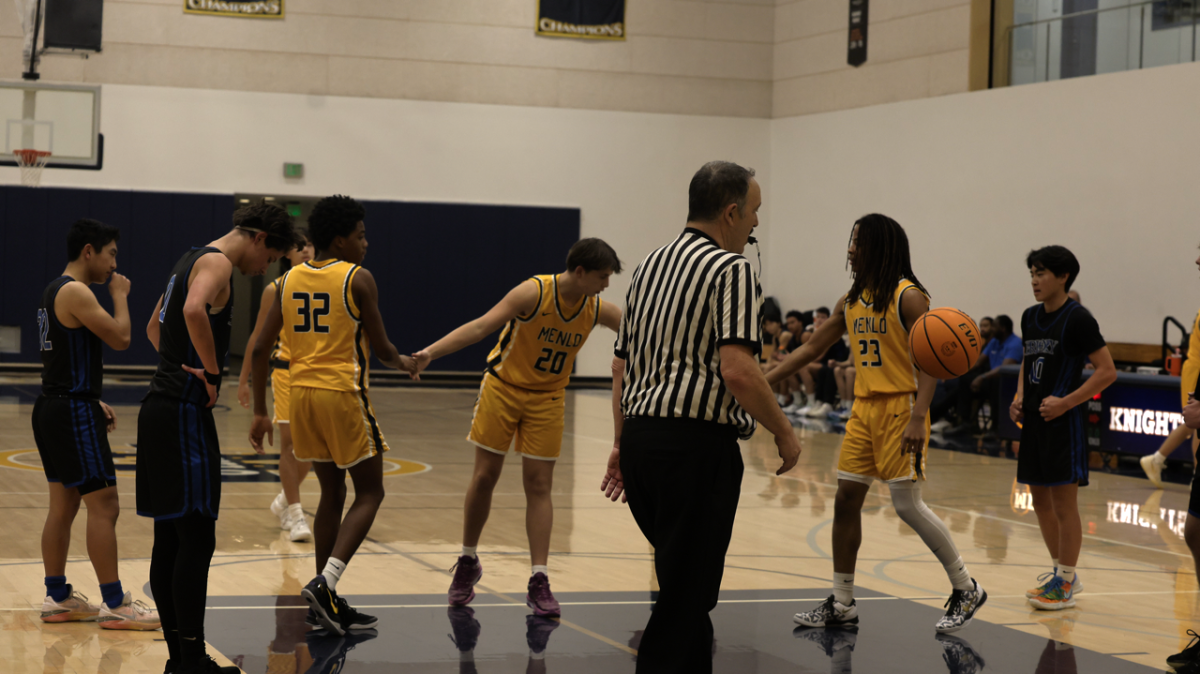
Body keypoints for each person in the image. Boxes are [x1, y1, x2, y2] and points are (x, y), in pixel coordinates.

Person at [601, 161, 801, 673]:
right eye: (754, 212)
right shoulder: (731, 270)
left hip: (643, 445)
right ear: (731, 212)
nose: (756, 224)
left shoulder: (647, 267)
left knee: (685, 589)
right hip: (694, 451)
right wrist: (784, 430)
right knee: (683, 600)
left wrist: (622, 445)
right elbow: (738, 371)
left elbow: (620, 366)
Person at [768, 213, 986, 634]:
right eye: (850, 240)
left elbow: (930, 361)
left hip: (901, 407)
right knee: (846, 500)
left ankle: (966, 586)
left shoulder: (909, 297)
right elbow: (813, 346)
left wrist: (920, 416)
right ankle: (842, 601)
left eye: (858, 241)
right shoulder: (851, 298)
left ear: (879, 247)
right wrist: (760, 381)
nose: (850, 249)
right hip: (863, 409)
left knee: (907, 506)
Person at [413, 238, 623, 616]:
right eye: (602, 277)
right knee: (484, 477)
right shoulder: (533, 292)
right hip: (503, 389)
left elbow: (643, 332)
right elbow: (480, 328)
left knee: (539, 485)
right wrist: (429, 353)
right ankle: (467, 560)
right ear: (580, 272)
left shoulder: (595, 309)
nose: (607, 284)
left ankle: (539, 578)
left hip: (548, 398)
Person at [139, 202, 296, 674]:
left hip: (160, 407)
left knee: (170, 539)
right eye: (269, 258)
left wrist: (176, 366)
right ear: (259, 238)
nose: (263, 268)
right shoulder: (218, 262)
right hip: (183, 414)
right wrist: (209, 373)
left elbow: (154, 328)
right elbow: (191, 309)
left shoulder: (189, 257)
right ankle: (191, 661)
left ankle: (181, 659)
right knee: (197, 539)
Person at [249, 195, 415, 636]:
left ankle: (325, 598)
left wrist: (262, 412)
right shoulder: (358, 279)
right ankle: (327, 583)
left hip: (299, 396)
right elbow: (381, 350)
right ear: (340, 240)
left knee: (330, 492)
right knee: (371, 492)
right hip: (341, 394)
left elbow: (261, 348)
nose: (366, 243)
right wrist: (406, 362)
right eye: (360, 235)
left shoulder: (285, 282)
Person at [35, 219, 160, 630]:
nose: (114, 264)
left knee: (64, 504)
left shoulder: (54, 289)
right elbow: (122, 337)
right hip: (70, 411)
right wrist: (120, 296)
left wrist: (91, 397)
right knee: (105, 505)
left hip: (57, 404)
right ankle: (116, 603)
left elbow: (61, 359)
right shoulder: (77, 290)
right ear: (89, 251)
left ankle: (58, 597)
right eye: (111, 254)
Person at [1011, 245, 1116, 611]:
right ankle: (1062, 573)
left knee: (1063, 503)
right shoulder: (1029, 316)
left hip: (1064, 423)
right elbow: (1028, 360)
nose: (1035, 281)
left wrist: (1066, 402)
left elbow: (1107, 371)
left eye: (1041, 273)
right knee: (1038, 500)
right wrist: (1019, 394)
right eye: (1032, 274)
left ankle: (1066, 581)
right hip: (1035, 423)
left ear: (1063, 277)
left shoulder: (1078, 318)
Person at [237, 230, 316, 541]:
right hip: (285, 372)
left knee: (311, 450)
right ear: (287, 254)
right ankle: (296, 514)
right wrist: (244, 380)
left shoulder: (324, 283)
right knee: (289, 444)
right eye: (299, 247)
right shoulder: (276, 288)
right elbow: (257, 337)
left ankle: (284, 498)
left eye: (309, 244)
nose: (306, 250)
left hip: (315, 374)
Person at [1142, 303, 1200, 488]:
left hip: (1194, 367)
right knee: (1196, 423)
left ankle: (1156, 460)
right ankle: (1195, 475)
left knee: (1193, 424)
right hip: (1197, 370)